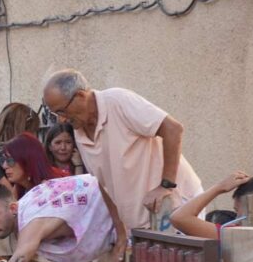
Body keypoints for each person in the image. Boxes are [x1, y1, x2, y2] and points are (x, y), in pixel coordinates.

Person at [43, 68, 202, 230]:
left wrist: (166, 186)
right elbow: (102, 185)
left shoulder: (118, 101)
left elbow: (173, 129)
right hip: (141, 225)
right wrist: (120, 231)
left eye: (62, 111)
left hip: (175, 209)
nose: (61, 119)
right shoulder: (79, 129)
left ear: (80, 96)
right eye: (55, 113)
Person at [1, 132, 68, 199]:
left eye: (10, 161)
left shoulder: (50, 188)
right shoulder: (19, 188)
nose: (4, 166)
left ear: (27, 161)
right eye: (4, 160)